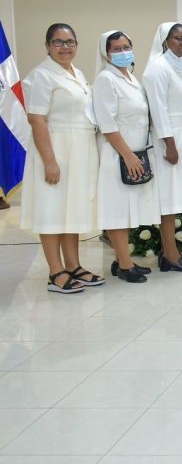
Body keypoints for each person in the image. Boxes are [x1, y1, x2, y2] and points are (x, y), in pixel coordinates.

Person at [21, 23, 102, 293]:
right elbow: (37, 120)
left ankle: (73, 265)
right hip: (55, 150)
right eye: (58, 42)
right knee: (53, 210)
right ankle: (55, 272)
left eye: (70, 42)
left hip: (79, 150)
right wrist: (50, 161)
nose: (65, 47)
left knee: (72, 210)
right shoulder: (41, 76)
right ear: (47, 46)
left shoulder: (76, 73)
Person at [93, 30, 161, 283]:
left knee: (130, 209)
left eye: (126, 47)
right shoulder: (105, 80)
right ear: (106, 53)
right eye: (116, 49)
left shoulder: (130, 77)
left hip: (137, 151)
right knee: (117, 210)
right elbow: (107, 123)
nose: (123, 53)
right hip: (118, 154)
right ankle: (123, 265)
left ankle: (124, 259)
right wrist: (128, 155)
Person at [142, 22, 182, 272]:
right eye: (178, 38)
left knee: (177, 198)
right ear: (165, 40)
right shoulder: (156, 69)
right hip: (170, 141)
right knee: (168, 200)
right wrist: (170, 144)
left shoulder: (176, 68)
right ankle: (169, 254)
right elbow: (158, 109)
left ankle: (172, 252)